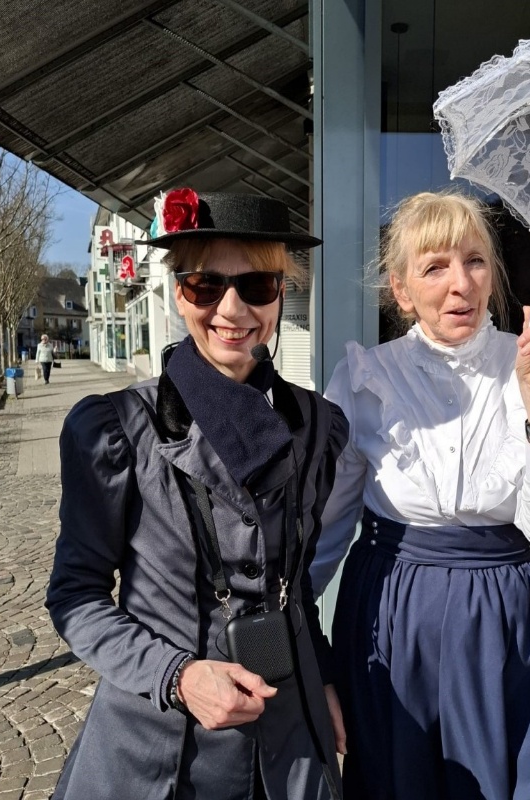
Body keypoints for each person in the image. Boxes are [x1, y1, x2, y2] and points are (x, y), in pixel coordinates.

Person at [46, 190, 348, 800]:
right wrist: (179, 677)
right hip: (159, 745)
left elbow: (294, 583)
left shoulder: (319, 428)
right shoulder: (114, 432)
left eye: (257, 285)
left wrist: (324, 684)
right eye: (205, 285)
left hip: (290, 742)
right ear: (180, 294)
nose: (232, 309)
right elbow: (76, 598)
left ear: (281, 294)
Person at [311, 190, 530, 800]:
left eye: (475, 262)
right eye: (434, 267)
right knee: (397, 778)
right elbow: (327, 525)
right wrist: (295, 639)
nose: (459, 284)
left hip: (507, 614)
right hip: (392, 614)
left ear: (494, 276)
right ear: (401, 289)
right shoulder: (365, 379)